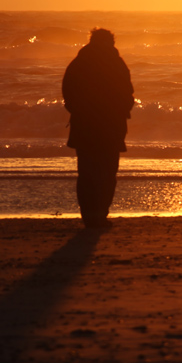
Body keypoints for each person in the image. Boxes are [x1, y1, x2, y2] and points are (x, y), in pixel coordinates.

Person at [62, 28, 134, 229]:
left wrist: (78, 111)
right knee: (107, 172)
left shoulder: (79, 62)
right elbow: (128, 93)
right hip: (111, 126)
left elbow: (68, 92)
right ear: (111, 42)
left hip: (85, 126)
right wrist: (122, 111)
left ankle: (89, 217)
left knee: (86, 172)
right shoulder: (117, 63)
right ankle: (100, 215)